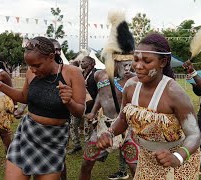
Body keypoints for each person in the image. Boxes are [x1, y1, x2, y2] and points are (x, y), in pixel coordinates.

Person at [97, 33, 201, 179]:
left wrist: (177, 157)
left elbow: (194, 134)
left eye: (146, 61)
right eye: (136, 59)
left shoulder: (175, 93)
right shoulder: (130, 86)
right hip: (146, 160)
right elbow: (122, 119)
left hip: (177, 162)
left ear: (163, 62)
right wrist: (109, 133)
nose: (138, 66)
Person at [0, 36, 86, 180]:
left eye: (37, 65)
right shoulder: (31, 73)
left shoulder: (72, 73)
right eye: (29, 66)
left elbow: (80, 111)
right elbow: (24, 97)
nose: (33, 70)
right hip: (27, 133)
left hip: (53, 140)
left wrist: (69, 101)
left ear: (51, 57)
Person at [79, 12, 137, 180]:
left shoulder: (134, 79)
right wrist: (93, 112)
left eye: (129, 64)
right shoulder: (100, 76)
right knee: (86, 163)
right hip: (103, 127)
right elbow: (101, 96)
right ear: (114, 60)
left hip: (127, 127)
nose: (127, 67)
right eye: (123, 64)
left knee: (135, 167)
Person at [68, 55, 98, 154]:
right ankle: (77, 145)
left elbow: (100, 93)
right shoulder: (80, 73)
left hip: (90, 107)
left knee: (87, 130)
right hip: (79, 105)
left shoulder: (95, 74)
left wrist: (96, 108)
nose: (81, 63)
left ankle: (87, 150)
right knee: (73, 125)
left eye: (84, 62)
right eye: (81, 62)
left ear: (90, 64)